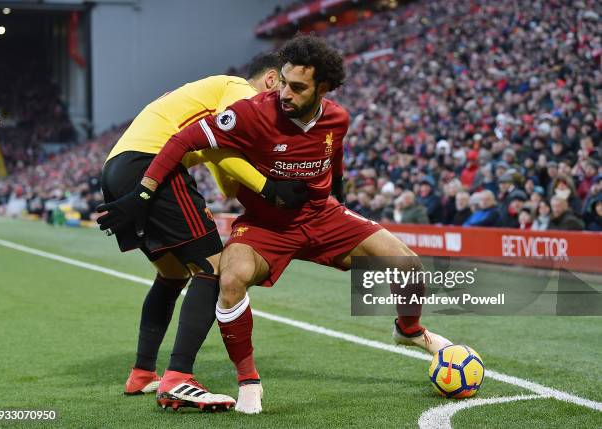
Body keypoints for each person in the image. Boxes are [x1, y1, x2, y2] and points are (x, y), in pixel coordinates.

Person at [100, 35, 452, 414]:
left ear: (324, 88)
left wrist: (339, 200)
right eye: (282, 82)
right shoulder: (246, 105)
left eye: (296, 87)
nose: (284, 92)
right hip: (236, 212)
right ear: (271, 77)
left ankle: (409, 330)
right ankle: (203, 378)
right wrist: (147, 192)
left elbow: (328, 158)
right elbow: (189, 140)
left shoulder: (337, 118)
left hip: (318, 216)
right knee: (220, 272)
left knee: (409, 267)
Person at [96, 53, 309, 411]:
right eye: (283, 87)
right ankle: (178, 377)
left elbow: (220, 164)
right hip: (153, 165)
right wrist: (269, 188)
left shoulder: (210, 94)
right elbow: (221, 146)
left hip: (119, 167)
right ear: (271, 80)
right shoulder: (241, 91)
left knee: (173, 274)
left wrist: (251, 185)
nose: (282, 101)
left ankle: (143, 372)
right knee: (214, 268)